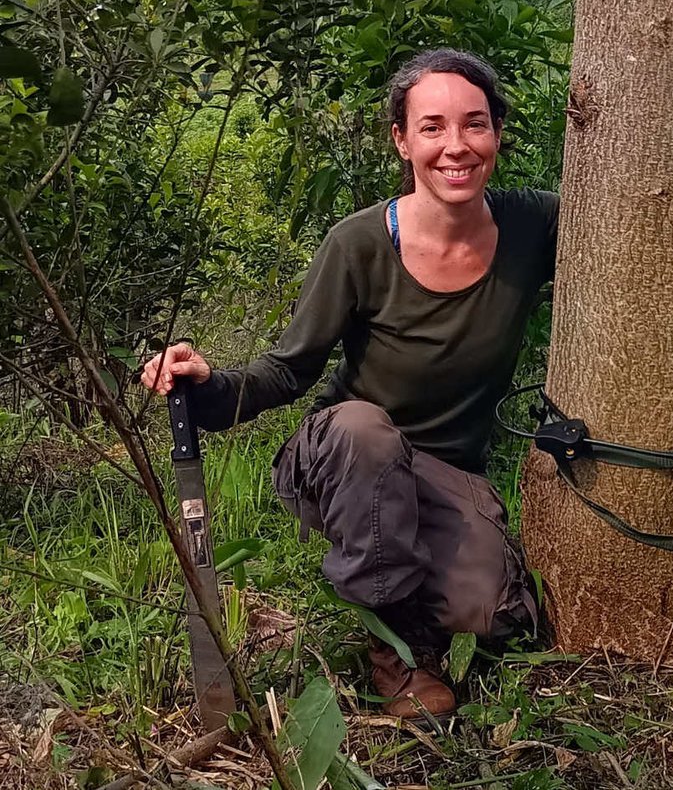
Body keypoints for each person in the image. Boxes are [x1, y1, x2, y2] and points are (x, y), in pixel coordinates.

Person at [142, 48, 558, 717]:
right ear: (401, 139)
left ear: (498, 134)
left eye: (475, 124)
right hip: (347, 454)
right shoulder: (360, 243)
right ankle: (395, 652)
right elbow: (288, 370)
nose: (456, 146)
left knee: (495, 611)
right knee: (367, 432)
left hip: (446, 470)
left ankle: (407, 576)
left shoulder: (532, 224)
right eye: (432, 127)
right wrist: (207, 382)